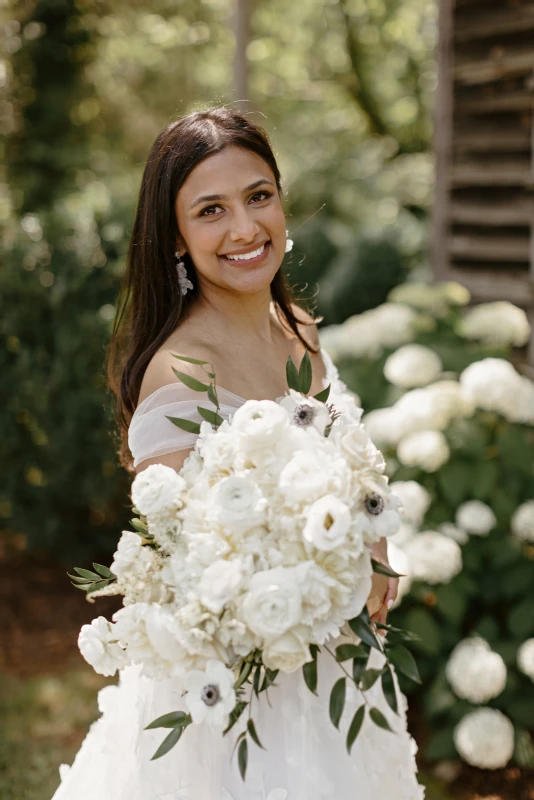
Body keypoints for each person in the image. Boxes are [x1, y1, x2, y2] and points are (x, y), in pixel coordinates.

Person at [52, 107, 425, 799]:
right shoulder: (177, 371)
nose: (246, 228)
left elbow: (349, 465)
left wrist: (369, 551)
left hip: (338, 667)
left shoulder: (301, 330)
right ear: (175, 237)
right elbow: (178, 568)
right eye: (211, 210)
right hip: (234, 696)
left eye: (258, 196)